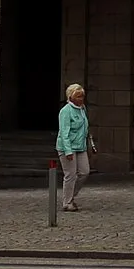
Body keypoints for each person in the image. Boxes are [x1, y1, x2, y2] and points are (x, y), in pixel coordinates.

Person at [56, 83, 92, 211]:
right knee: (70, 174)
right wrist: (67, 150)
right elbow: (64, 132)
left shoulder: (82, 109)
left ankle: (71, 195)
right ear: (71, 97)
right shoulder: (65, 111)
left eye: (82, 96)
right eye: (78, 97)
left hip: (80, 146)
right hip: (68, 146)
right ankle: (67, 202)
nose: (81, 99)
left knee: (84, 172)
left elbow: (85, 127)